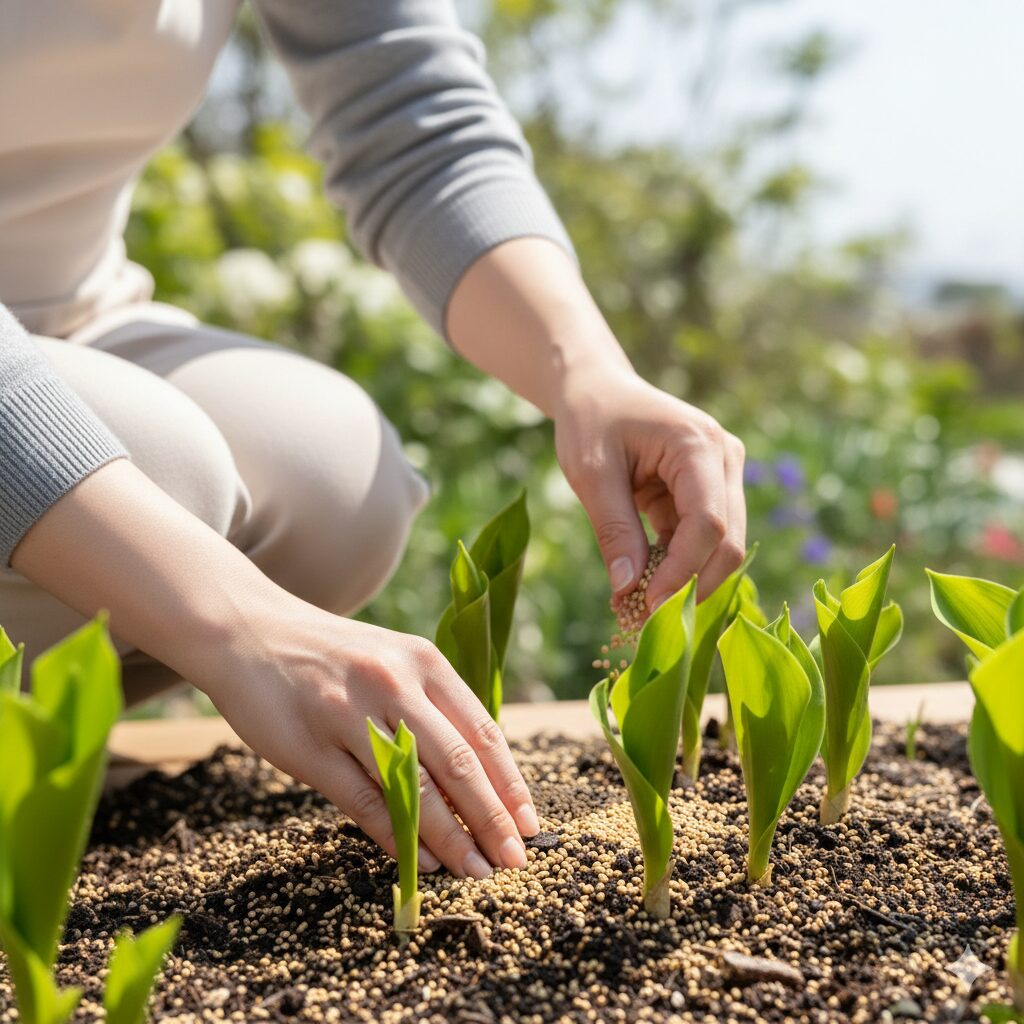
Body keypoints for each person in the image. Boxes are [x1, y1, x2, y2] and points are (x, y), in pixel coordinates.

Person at [0, 1, 746, 882]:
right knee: (169, 475)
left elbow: (405, 104)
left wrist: (586, 372)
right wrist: (237, 619)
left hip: (71, 311)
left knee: (335, 479)